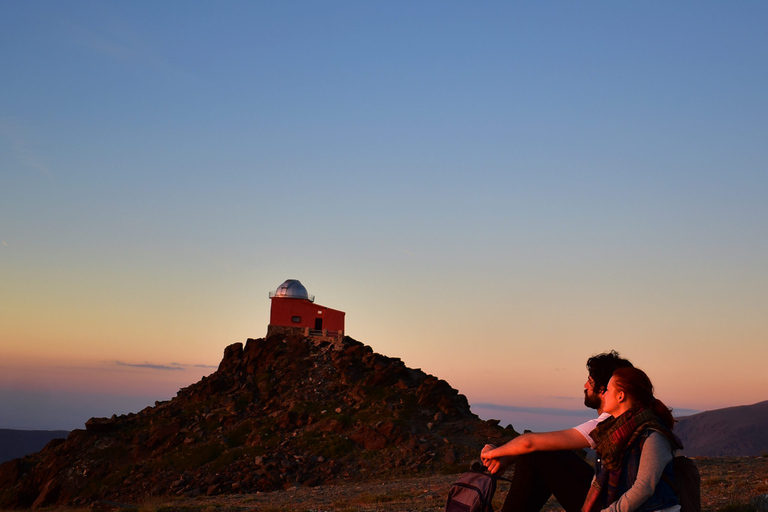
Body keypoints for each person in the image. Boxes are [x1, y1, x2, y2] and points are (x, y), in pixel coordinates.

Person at [481, 351, 633, 512]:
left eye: (590, 381)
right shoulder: (631, 418)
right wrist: (507, 459)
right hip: (615, 497)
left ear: (603, 389)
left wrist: (493, 453)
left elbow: (529, 442)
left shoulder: (609, 424)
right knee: (542, 452)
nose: (585, 386)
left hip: (611, 506)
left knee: (536, 454)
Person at [582, 367, 682, 512]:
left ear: (620, 396)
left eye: (608, 390)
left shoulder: (653, 436)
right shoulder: (609, 434)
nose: (603, 394)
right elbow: (599, 478)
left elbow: (644, 487)